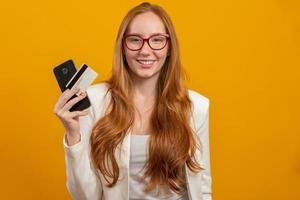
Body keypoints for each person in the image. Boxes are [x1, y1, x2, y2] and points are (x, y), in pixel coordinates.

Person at [53, 2, 211, 200]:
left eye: (157, 40)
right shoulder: (94, 101)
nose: (145, 51)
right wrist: (73, 135)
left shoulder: (196, 107)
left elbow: (202, 188)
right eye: (135, 40)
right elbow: (85, 196)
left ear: (169, 47)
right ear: (123, 47)